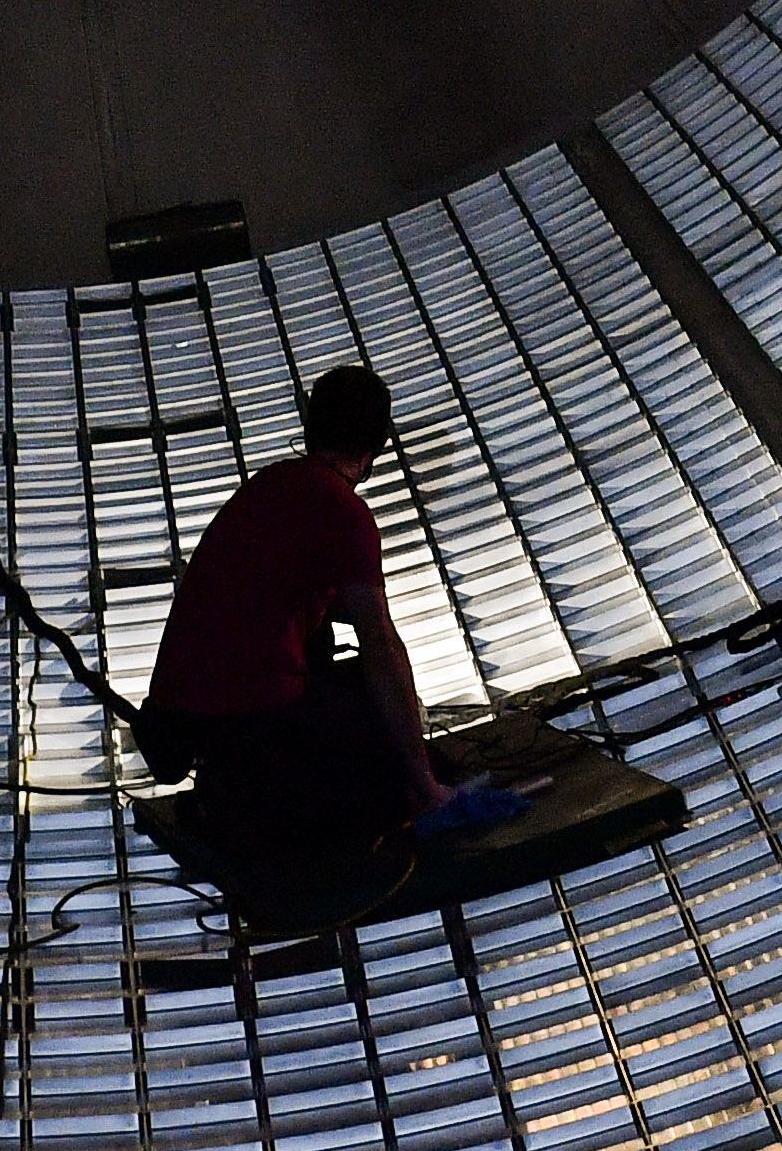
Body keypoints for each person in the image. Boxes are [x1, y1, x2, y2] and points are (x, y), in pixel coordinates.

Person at [137, 362, 518, 915]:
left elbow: (262, 594)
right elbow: (380, 647)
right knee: (369, 713)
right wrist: (426, 788)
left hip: (188, 724)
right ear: (374, 447)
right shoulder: (344, 512)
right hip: (253, 726)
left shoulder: (269, 487)